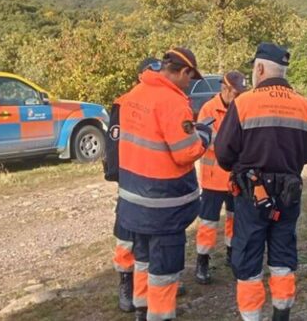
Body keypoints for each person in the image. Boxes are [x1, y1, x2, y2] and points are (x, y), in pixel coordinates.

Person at [215, 42, 307, 321]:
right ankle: (281, 314)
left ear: (259, 68)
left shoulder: (243, 103)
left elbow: (223, 154)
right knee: (283, 256)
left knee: (248, 258)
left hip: (251, 195)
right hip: (289, 194)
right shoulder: (304, 105)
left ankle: (251, 317)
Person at [115, 47, 212, 321]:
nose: (190, 85)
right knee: (165, 269)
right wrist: (203, 135)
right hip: (164, 205)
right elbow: (185, 153)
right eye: (190, 79)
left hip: (133, 199)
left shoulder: (134, 95)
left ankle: (142, 309)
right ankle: (161, 315)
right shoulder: (172, 102)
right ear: (183, 72)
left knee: (143, 258)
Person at [104, 56, 162, 313]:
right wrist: (118, 175)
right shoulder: (125, 102)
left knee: (156, 234)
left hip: (156, 180)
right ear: (141, 75)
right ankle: (125, 282)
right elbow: (114, 142)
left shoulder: (165, 101)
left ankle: (153, 282)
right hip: (131, 178)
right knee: (127, 234)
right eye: (152, 71)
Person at [194, 71, 248, 284]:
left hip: (234, 178)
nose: (238, 97)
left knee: (235, 219)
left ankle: (232, 254)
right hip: (213, 179)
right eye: (235, 93)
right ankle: (202, 260)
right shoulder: (209, 109)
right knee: (208, 222)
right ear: (224, 89)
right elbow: (206, 140)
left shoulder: (242, 107)